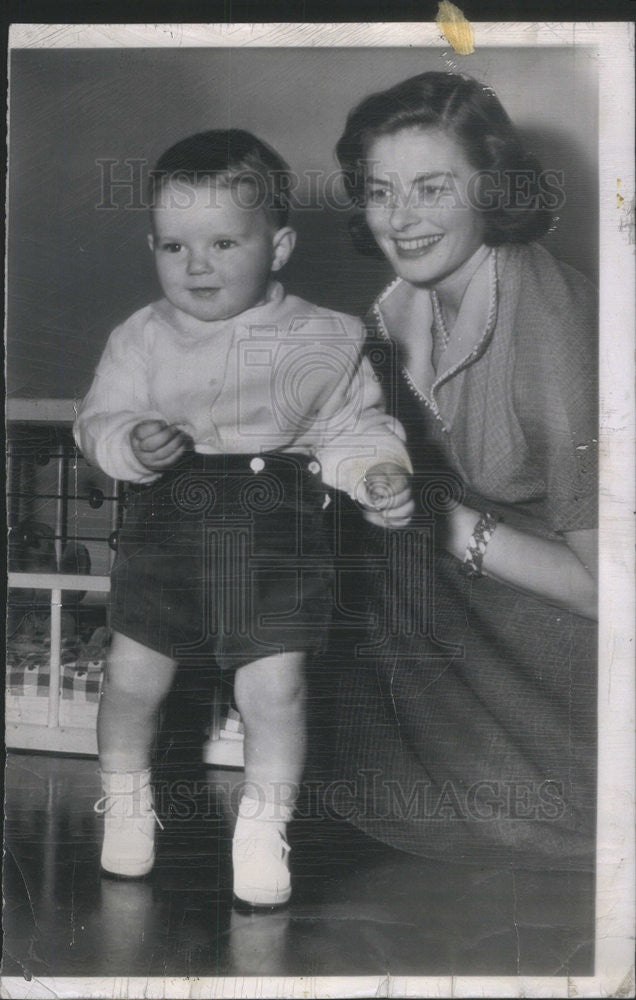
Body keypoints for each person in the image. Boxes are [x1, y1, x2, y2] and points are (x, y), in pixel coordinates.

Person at [74, 129, 413, 908]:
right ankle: (127, 807)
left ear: (279, 245)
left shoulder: (324, 336)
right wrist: (132, 440)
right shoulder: (143, 337)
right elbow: (97, 421)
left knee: (276, 692)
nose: (196, 265)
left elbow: (353, 431)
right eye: (174, 246)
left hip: (277, 539)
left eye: (223, 242)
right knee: (129, 683)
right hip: (167, 534)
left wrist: (379, 476)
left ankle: (264, 829)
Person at [331, 72, 598, 867]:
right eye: (380, 191)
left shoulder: (552, 325)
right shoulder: (393, 316)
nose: (401, 219)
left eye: (432, 188)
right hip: (485, 624)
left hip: (587, 651)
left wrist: (444, 524)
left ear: (492, 189)